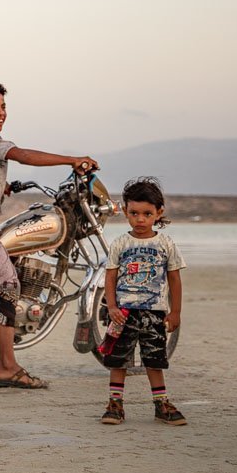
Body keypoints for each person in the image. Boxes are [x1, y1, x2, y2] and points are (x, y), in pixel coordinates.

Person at [0, 81, 98, 389]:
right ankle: (7, 367)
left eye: (3, 107)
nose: (0, 113)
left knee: (4, 266)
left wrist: (2, 186)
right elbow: (22, 155)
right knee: (8, 283)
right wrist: (71, 160)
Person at [100, 177, 187, 426]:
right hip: (122, 314)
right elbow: (110, 277)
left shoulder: (165, 244)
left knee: (154, 360)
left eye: (147, 214)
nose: (140, 219)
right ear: (125, 211)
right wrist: (112, 306)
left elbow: (174, 279)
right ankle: (115, 404)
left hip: (155, 312)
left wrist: (175, 312)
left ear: (159, 213)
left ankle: (161, 404)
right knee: (118, 360)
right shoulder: (120, 243)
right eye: (134, 213)